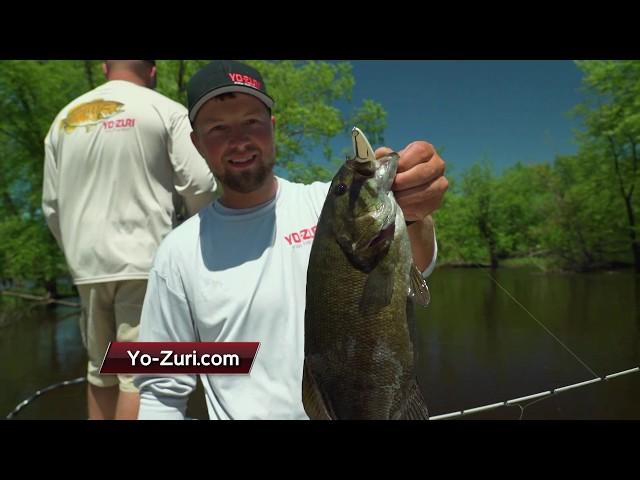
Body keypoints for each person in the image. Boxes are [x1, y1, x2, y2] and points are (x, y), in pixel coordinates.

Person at [135, 60, 448, 420]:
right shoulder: (175, 254)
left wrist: (414, 212)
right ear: (196, 142)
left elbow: (418, 262)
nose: (238, 141)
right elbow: (160, 389)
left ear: (272, 127)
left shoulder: (327, 206)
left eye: (251, 122)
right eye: (218, 128)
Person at [42, 60, 217, 420]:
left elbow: (51, 206)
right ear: (152, 72)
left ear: (105, 67)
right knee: (139, 377)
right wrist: (198, 242)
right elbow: (200, 184)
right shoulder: (166, 110)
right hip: (146, 264)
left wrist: (75, 254)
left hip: (86, 266)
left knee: (100, 370)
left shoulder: (62, 120)